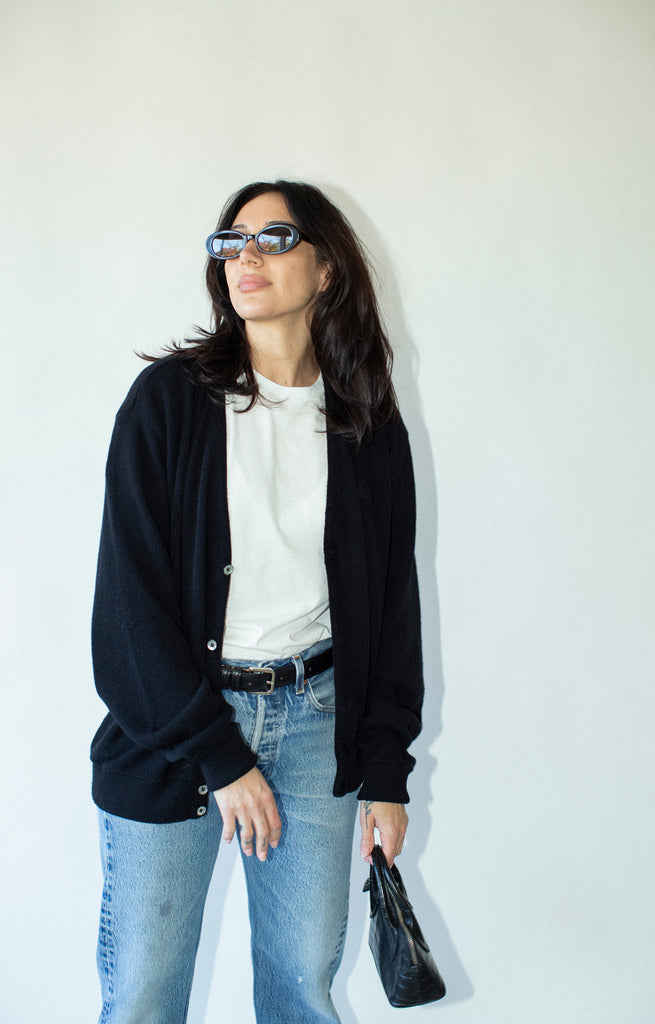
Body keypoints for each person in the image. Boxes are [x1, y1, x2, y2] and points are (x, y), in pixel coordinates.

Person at [90, 180, 424, 1024]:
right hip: (174, 731)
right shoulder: (168, 403)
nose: (246, 257)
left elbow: (392, 610)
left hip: (317, 723)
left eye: (273, 239)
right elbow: (128, 611)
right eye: (231, 241)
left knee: (302, 985)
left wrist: (386, 773)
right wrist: (221, 755)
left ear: (325, 268)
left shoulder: (368, 423)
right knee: (143, 991)